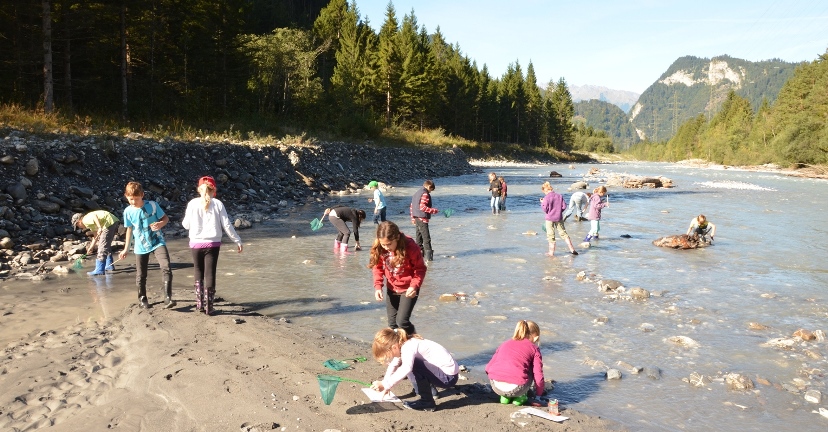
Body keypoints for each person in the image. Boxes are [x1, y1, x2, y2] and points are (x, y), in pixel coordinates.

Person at [182, 176, 244, 316]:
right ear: (214, 189)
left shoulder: (192, 204)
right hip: (213, 243)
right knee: (210, 273)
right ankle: (210, 307)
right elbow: (227, 225)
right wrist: (237, 240)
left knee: (198, 270)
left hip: (196, 242)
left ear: (199, 189)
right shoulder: (218, 204)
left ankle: (199, 304)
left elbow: (185, 225)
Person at [370, 327, 459, 412]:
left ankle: (427, 402)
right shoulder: (403, 343)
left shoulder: (408, 347)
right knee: (409, 363)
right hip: (443, 373)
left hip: (447, 377)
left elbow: (406, 368)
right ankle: (429, 394)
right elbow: (394, 364)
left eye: (389, 355)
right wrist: (385, 383)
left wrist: (385, 384)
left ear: (394, 347)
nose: (390, 357)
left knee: (412, 364)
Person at [118, 181, 173, 309]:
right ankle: (142, 299)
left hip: (157, 241)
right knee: (141, 274)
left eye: (136, 199)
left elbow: (165, 218)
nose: (133, 202)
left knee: (166, 266)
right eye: (131, 199)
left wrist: (160, 224)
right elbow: (129, 230)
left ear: (142, 195)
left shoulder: (153, 205)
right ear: (126, 196)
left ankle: (168, 297)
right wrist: (126, 249)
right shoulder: (128, 212)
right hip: (140, 246)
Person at [368, 221, 427, 335]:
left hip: (409, 289)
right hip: (392, 288)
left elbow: (420, 269)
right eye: (383, 244)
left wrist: (414, 286)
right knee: (392, 324)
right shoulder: (380, 248)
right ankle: (398, 349)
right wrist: (378, 286)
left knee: (402, 322)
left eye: (389, 244)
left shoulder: (411, 247)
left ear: (397, 238)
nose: (386, 247)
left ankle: (415, 340)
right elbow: (377, 267)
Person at [485, 320, 545, 406]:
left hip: (496, 387)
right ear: (536, 338)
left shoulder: (504, 344)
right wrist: (539, 395)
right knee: (531, 367)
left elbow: (488, 368)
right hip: (517, 388)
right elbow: (538, 375)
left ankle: (504, 397)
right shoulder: (534, 349)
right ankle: (521, 397)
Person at [72, 210, 121, 276]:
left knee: (102, 246)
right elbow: (95, 236)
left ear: (79, 221)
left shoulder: (85, 220)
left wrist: (100, 227)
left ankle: (99, 269)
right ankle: (109, 265)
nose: (79, 227)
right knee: (105, 243)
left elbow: (94, 216)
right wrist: (91, 247)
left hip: (108, 223)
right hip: (112, 221)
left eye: (77, 225)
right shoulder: (90, 224)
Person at [540, 182, 578, 256]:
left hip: (549, 218)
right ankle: (572, 249)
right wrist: (559, 212)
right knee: (563, 233)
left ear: (545, 190)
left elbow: (545, 209)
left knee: (550, 235)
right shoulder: (559, 196)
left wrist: (542, 202)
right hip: (559, 217)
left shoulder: (546, 198)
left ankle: (551, 253)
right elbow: (564, 206)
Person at [409, 180, 438, 262]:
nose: (430, 192)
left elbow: (411, 206)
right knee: (426, 238)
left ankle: (419, 257)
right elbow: (422, 207)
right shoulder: (425, 194)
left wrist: (412, 217)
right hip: (422, 219)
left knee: (418, 238)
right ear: (429, 187)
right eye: (431, 190)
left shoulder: (416, 193)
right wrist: (433, 211)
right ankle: (429, 259)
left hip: (416, 218)